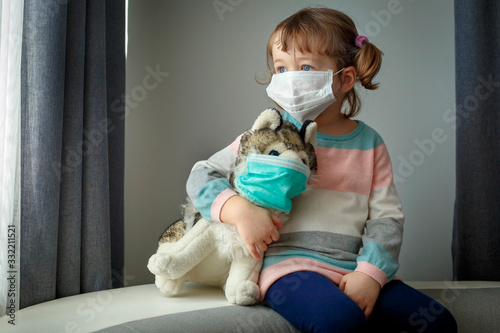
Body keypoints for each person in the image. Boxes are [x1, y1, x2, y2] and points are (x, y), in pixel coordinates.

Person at [186, 7, 457, 333]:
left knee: (439, 323)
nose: (289, 79)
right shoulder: (268, 134)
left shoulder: (370, 144)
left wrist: (369, 275)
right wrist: (238, 210)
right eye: (281, 68)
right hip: (289, 269)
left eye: (304, 68)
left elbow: (386, 219)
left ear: (344, 79)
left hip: (353, 267)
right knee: (339, 321)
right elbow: (201, 174)